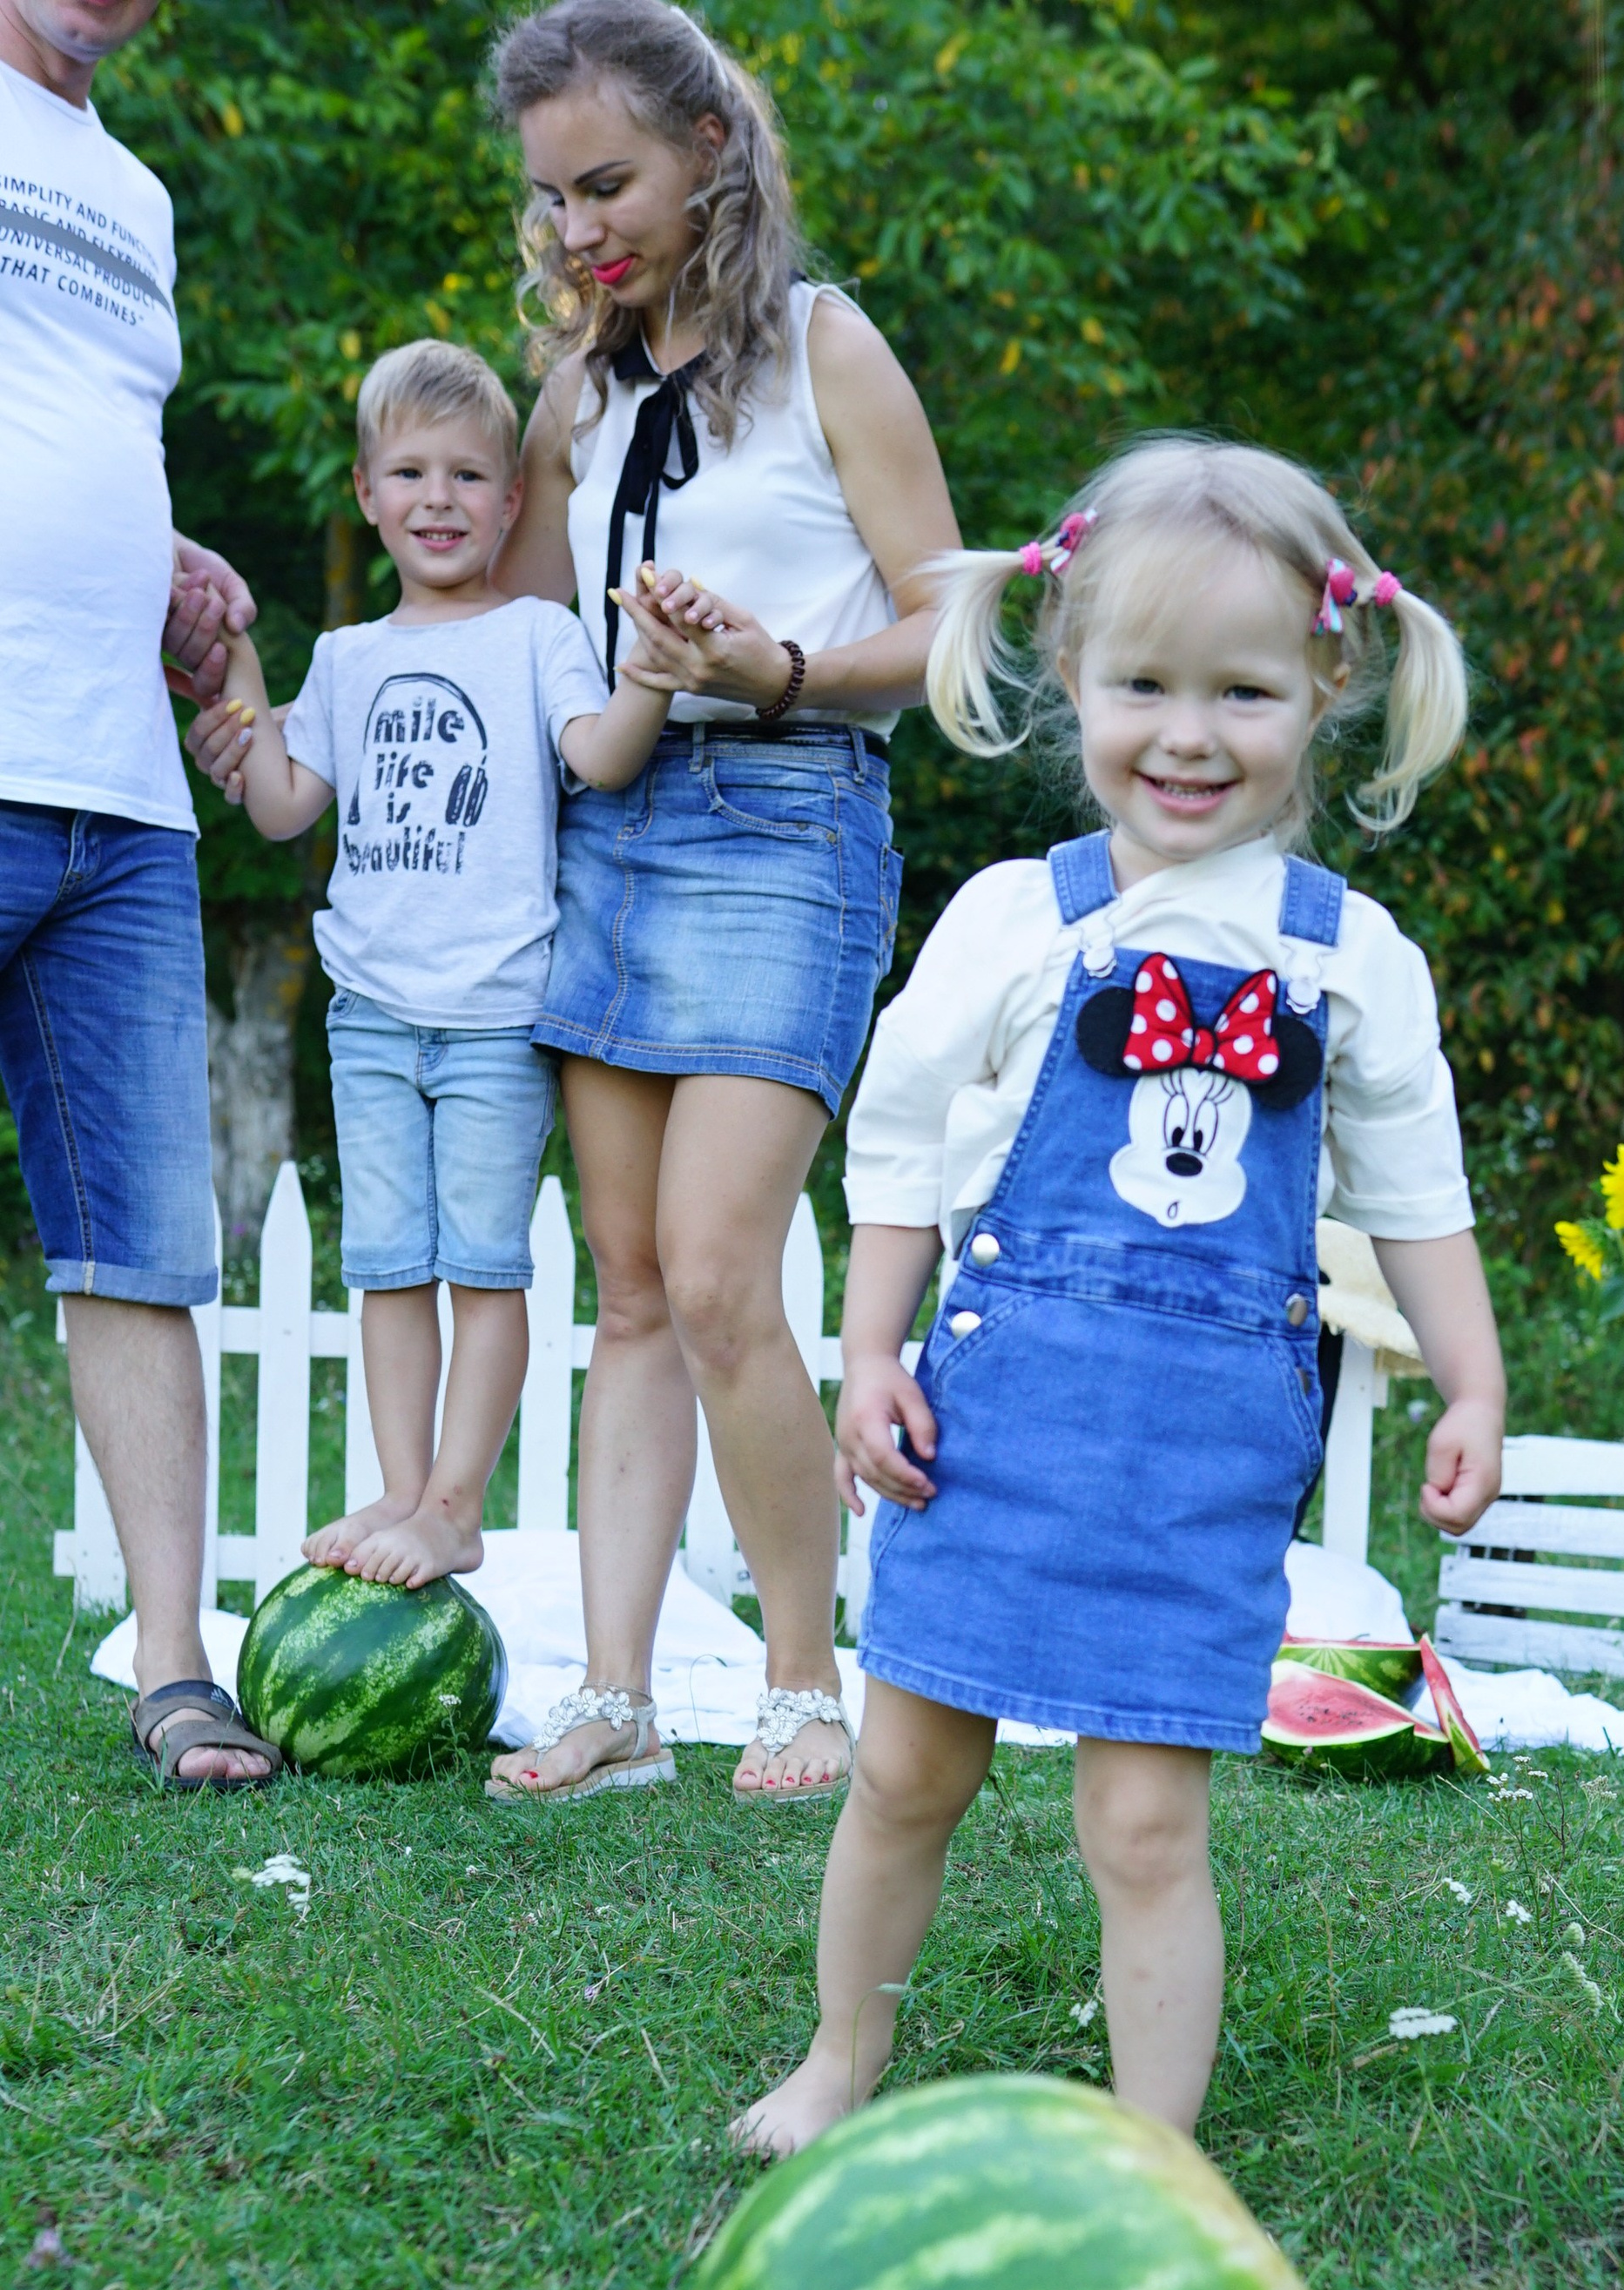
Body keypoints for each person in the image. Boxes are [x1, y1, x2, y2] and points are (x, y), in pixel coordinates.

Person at [736, 440, 1507, 2158]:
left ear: (1322, 687)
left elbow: (1414, 1196)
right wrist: (866, 1354)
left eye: (1238, 691)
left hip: (1191, 1464)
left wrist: (1469, 1383)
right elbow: (904, 1148)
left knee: (1144, 1827)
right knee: (903, 1774)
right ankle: (836, 2063)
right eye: (1139, 684)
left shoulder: (1348, 956)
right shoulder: (1015, 919)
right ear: (1067, 675)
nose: (1184, 734)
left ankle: (1147, 2151)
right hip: (988, 1429)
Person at [482, 0, 960, 1807]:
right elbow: (523, 644)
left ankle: (799, 1686)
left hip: (783, 814)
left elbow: (947, 631)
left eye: (605, 181)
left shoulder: (828, 348)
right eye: (549, 200)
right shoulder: (580, 387)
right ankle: (612, 1696)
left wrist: (771, 663)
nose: (578, 225)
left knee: (718, 1273)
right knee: (624, 1288)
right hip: (611, 829)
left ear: (706, 149)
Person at [187, 340, 682, 1602]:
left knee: (484, 1266)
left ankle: (457, 1506)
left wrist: (656, 677)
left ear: (513, 504)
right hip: (370, 1015)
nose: (440, 499)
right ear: (365, 491)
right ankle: (404, 1489)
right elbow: (288, 809)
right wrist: (241, 708)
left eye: (470, 475)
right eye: (409, 472)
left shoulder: (537, 634)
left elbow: (605, 757)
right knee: (387, 1268)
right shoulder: (349, 659)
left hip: (495, 1017)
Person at [0, 0, 279, 1786]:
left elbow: (66, 419)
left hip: (123, 790)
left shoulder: (140, 192)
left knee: (142, 1248)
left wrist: (156, 550)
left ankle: (176, 1670)